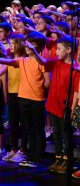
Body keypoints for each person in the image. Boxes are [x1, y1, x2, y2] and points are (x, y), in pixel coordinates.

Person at [0, 32, 50, 167]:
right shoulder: (22, 61)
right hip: (23, 98)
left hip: (37, 99)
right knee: (28, 129)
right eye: (27, 44)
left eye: (32, 44)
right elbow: (8, 61)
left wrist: (37, 87)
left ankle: (37, 157)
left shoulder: (42, 62)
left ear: (38, 47)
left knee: (37, 129)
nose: (28, 46)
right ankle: (30, 156)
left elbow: (47, 82)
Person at [29, 36, 79, 174]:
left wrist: (73, 110)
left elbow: (76, 92)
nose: (55, 52)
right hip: (53, 105)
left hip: (65, 108)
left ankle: (67, 160)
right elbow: (42, 61)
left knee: (66, 135)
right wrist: (33, 50)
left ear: (68, 50)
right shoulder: (56, 63)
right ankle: (58, 159)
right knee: (57, 134)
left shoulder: (75, 69)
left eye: (58, 49)